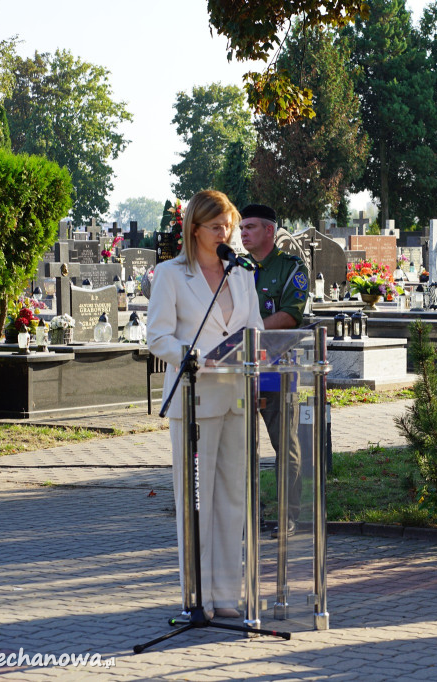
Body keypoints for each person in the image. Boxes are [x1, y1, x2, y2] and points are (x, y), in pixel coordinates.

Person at [147, 190, 264, 621]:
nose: (226, 233)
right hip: (195, 400)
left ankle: (226, 596)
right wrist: (192, 356)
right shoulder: (171, 275)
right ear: (194, 229)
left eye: (229, 225)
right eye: (217, 226)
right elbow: (157, 337)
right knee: (197, 502)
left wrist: (257, 365)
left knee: (233, 498)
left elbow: (254, 330)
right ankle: (197, 598)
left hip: (236, 398)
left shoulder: (242, 274)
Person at [239, 203, 308, 538]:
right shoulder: (236, 269)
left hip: (277, 369)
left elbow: (290, 315)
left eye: (250, 227)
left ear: (269, 230)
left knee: (285, 446)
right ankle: (249, 514)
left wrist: (249, 331)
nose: (243, 233)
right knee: (243, 447)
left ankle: (287, 516)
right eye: (241, 228)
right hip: (240, 369)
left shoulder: (291, 267)